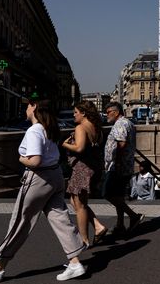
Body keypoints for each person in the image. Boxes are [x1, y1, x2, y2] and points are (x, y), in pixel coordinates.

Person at [0, 100, 87, 282]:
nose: (25, 109)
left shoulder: (34, 130)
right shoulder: (49, 128)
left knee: (20, 221)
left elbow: (34, 161)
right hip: (55, 176)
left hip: (38, 179)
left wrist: (21, 159)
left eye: (27, 106)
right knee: (60, 218)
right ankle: (75, 262)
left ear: (34, 108)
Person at [61, 101, 107, 246]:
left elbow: (79, 148)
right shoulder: (96, 128)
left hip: (82, 169)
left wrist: (65, 144)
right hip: (94, 168)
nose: (74, 115)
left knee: (80, 205)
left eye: (75, 112)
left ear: (83, 113)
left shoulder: (81, 127)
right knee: (75, 201)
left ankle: (84, 239)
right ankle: (98, 226)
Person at [103, 102, 144, 235]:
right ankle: (120, 224)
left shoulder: (120, 124)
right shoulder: (128, 123)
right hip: (125, 165)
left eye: (108, 112)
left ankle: (133, 216)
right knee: (118, 195)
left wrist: (117, 163)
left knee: (107, 193)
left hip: (118, 166)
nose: (106, 115)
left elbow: (121, 143)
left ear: (116, 112)